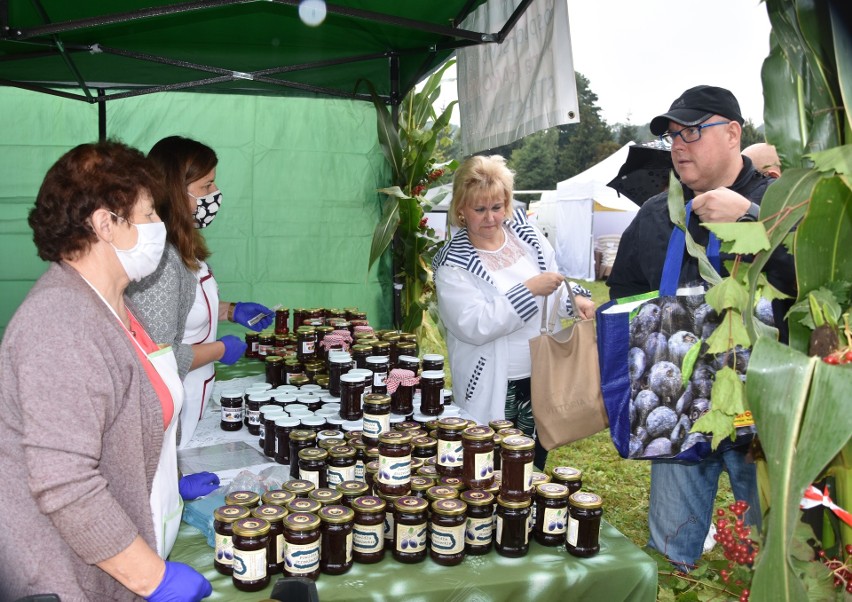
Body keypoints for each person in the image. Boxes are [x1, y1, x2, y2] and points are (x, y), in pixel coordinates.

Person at [0, 141, 212, 601]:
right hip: (68, 579)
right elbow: (65, 484)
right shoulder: (61, 323)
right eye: (149, 214)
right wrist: (152, 578)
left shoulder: (111, 306)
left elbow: (117, 425)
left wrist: (167, 484)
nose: (160, 226)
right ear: (105, 224)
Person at [607, 85, 795, 570]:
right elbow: (625, 296)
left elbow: (814, 282)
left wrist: (753, 222)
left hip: (766, 411)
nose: (678, 144)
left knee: (771, 553)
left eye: (692, 130)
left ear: (733, 134)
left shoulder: (783, 203)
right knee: (672, 553)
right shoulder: (655, 216)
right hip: (677, 410)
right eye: (672, 134)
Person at [432, 155, 596, 468]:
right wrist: (529, 289)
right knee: (491, 468)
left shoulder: (528, 238)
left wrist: (575, 300)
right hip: (494, 386)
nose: (491, 218)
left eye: (497, 207)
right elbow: (474, 324)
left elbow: (554, 281)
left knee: (532, 465)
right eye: (479, 209)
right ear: (461, 210)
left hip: (541, 375)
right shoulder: (453, 264)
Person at [127, 136, 273, 446]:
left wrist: (230, 310)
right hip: (171, 411)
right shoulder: (161, 260)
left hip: (194, 399)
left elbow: (183, 307)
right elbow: (157, 358)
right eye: (206, 187)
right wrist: (221, 349)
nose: (215, 195)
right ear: (175, 190)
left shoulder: (183, 245)